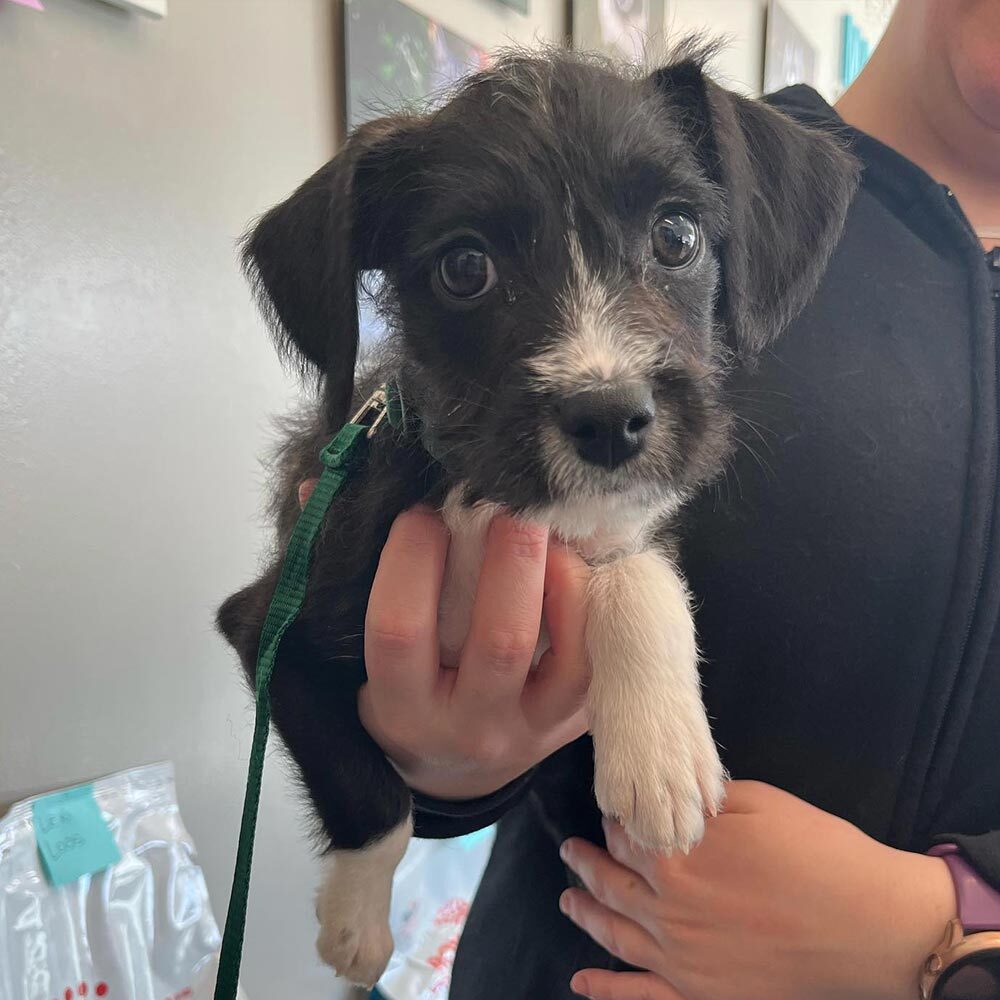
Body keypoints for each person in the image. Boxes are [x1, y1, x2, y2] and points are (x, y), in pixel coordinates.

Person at [352, 0, 1000, 996]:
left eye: (670, 245)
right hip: (572, 955)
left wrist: (948, 928)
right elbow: (422, 582)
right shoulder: (675, 153)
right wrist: (435, 772)